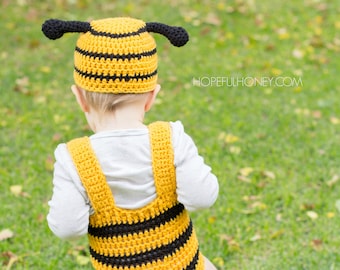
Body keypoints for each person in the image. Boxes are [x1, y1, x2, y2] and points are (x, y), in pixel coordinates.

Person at [42, 17, 219, 270]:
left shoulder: (73, 159)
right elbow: (203, 197)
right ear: (151, 97)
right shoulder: (171, 139)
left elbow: (67, 228)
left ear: (79, 97)